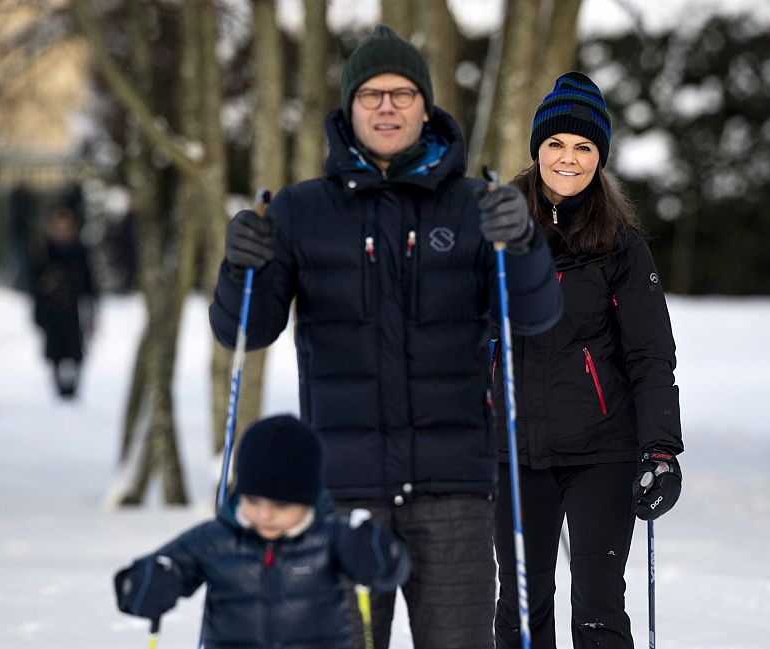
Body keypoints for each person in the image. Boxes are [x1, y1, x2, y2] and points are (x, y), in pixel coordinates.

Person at [210, 24, 563, 649]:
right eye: (371, 94)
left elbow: (534, 315)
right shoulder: (300, 211)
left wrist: (527, 243)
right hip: (342, 497)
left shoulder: (475, 205)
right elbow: (246, 329)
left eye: (402, 94)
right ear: (349, 109)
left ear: (426, 107)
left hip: (453, 494)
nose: (387, 107)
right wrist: (241, 264)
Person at [490, 71, 684, 649]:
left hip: (602, 448)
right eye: (556, 144)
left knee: (598, 606)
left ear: (599, 158)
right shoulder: (496, 233)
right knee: (521, 607)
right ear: (537, 150)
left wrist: (661, 448)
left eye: (583, 147)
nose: (568, 159)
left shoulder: (621, 244)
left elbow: (651, 354)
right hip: (514, 452)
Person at [114, 414, 410, 649]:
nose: (264, 514)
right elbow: (140, 581)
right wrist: (149, 583)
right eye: (253, 501)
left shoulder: (330, 536)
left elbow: (392, 569)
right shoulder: (215, 539)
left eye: (280, 504)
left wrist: (375, 553)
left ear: (307, 497)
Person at [30, 206, 98, 398]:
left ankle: (74, 388)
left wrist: (91, 312)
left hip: (73, 309)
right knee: (54, 351)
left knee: (75, 350)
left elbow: (89, 285)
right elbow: (36, 286)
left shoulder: (80, 251)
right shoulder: (44, 252)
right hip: (52, 311)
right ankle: (58, 389)